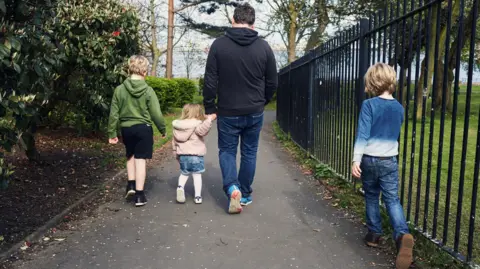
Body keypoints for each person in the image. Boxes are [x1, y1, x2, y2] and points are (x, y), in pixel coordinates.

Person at [203, 3, 278, 214]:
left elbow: (210, 80)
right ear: (253, 23)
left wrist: (210, 106)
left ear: (233, 20)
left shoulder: (218, 45)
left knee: (227, 151)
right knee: (249, 152)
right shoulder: (264, 47)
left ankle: (232, 187)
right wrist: (263, 101)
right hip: (254, 110)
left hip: (227, 110)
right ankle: (244, 193)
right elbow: (273, 81)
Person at [351, 63, 414, 269]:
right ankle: (402, 235)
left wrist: (356, 159)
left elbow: (363, 134)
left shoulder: (369, 105)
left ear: (372, 82)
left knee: (371, 195)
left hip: (369, 158)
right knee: (392, 198)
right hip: (389, 160)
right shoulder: (399, 107)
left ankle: (374, 234)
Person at [108, 55, 166, 207]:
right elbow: (156, 113)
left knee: (130, 156)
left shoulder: (119, 90)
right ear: (145, 71)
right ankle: (139, 195)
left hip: (126, 129)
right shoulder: (148, 90)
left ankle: (131, 185)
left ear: (129, 69)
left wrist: (112, 133)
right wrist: (162, 128)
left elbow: (114, 113)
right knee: (140, 160)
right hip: (143, 129)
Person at [172, 104, 216, 204]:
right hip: (196, 155)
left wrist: (176, 154)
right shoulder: (197, 124)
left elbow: (174, 142)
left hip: (183, 155)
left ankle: (180, 187)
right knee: (197, 175)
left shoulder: (178, 126)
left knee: (184, 173)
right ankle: (197, 196)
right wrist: (209, 119)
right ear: (198, 113)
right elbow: (202, 131)